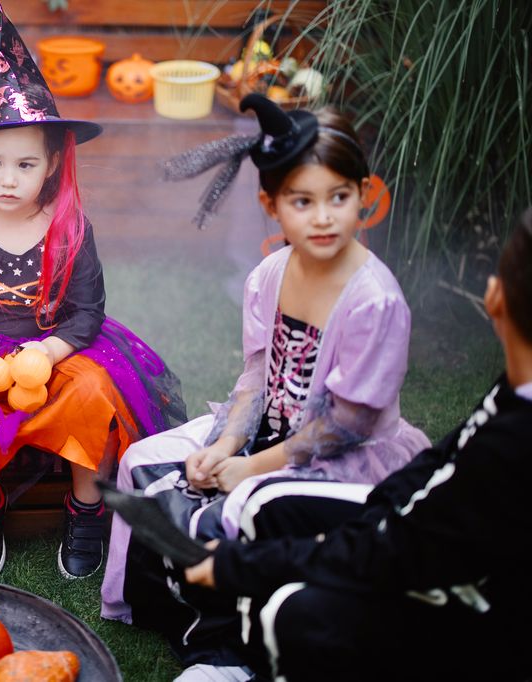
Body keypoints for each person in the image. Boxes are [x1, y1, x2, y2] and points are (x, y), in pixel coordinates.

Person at [100, 94, 430, 676]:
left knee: (243, 507)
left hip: (342, 458)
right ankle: (152, 608)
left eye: (339, 198)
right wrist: (227, 445)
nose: (323, 217)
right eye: (303, 201)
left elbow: (347, 425)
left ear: (364, 196)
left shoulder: (374, 301)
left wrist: (253, 466)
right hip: (266, 429)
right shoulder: (269, 275)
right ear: (271, 205)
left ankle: (230, 653)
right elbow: (256, 377)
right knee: (144, 460)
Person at [182, 206, 532, 682]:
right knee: (266, 506)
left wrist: (242, 566)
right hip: (420, 536)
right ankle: (242, 648)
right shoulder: (515, 386)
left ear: (495, 300)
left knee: (291, 610)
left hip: (475, 607)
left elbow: (395, 550)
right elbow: (438, 463)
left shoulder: (510, 448)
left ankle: (264, 659)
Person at [0, 0, 185, 580]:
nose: (8, 178)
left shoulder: (70, 228)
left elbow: (88, 314)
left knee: (98, 393)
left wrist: (51, 351)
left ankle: (84, 507)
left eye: (25, 164)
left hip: (52, 349)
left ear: (53, 163)